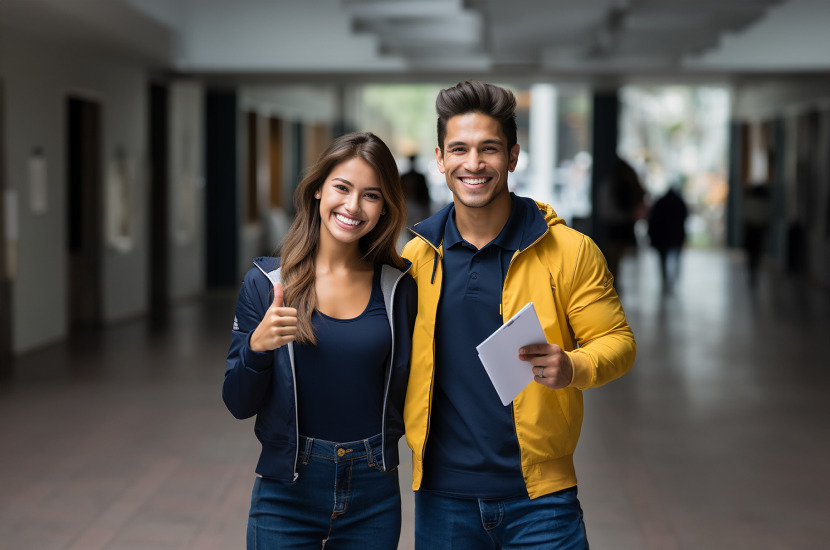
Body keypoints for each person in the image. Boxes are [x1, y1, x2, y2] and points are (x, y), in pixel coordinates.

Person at [401, 80, 636, 549]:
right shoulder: (416, 258)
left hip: (542, 501)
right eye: (459, 149)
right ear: (441, 158)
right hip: (443, 496)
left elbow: (618, 343)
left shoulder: (569, 251)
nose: (473, 164)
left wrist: (573, 365)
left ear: (512, 156)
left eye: (489, 149)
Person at [223, 132, 417, 549]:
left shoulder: (398, 289)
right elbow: (237, 403)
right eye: (342, 188)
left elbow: (422, 384)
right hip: (287, 490)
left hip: (373, 490)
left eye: (371, 195)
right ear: (317, 191)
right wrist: (257, 347)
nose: (352, 206)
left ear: (385, 209)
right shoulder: (267, 283)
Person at [598, 156, 647, 284]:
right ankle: (614, 287)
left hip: (616, 230)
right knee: (615, 264)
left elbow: (606, 211)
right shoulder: (621, 186)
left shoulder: (612, 186)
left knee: (613, 263)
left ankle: (614, 288)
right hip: (621, 230)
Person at [647, 184, 689, 293]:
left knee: (663, 259)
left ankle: (665, 279)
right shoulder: (679, 202)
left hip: (663, 236)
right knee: (676, 258)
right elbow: (685, 216)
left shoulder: (660, 202)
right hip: (675, 235)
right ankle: (673, 279)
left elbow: (653, 219)